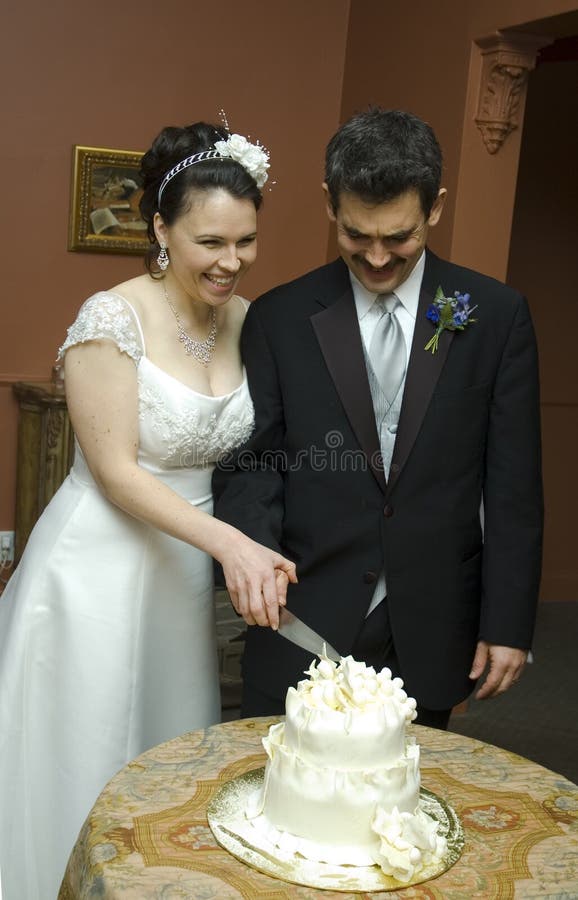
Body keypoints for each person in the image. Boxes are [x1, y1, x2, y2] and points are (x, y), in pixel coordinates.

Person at [0, 120, 295, 900]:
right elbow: (117, 473)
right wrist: (231, 545)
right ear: (160, 230)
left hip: (181, 572)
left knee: (166, 747)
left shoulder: (243, 318)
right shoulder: (111, 320)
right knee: (86, 745)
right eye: (210, 242)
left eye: (247, 241)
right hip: (97, 564)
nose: (231, 262)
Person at [213, 107, 543, 730]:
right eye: (357, 235)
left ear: (435, 208)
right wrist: (253, 556)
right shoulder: (279, 317)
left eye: (399, 237)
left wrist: (508, 622)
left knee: (399, 808)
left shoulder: (496, 316)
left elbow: (513, 486)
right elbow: (255, 461)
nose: (377, 257)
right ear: (330, 205)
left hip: (434, 617)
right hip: (300, 609)